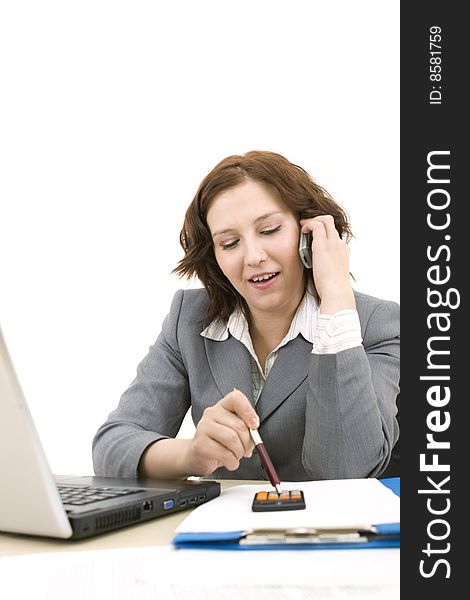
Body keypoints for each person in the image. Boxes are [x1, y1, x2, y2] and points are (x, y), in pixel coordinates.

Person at [92, 150, 400, 482]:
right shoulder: (190, 320)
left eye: (269, 230)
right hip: (220, 529)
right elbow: (111, 446)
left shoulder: (376, 324)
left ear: (308, 234)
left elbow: (346, 470)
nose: (253, 256)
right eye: (230, 243)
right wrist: (191, 454)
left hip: (325, 530)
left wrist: (336, 296)